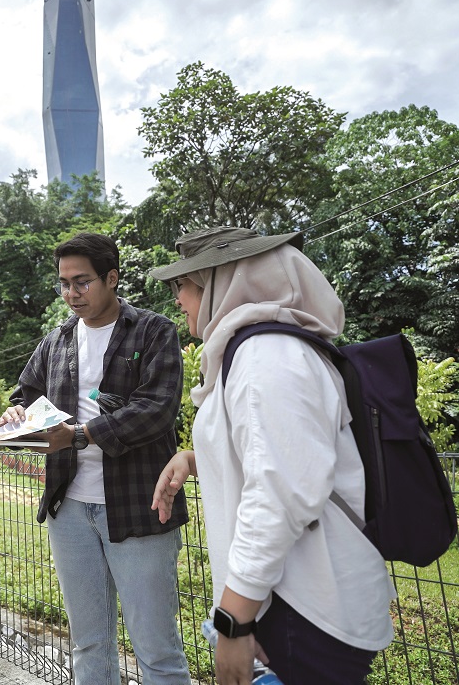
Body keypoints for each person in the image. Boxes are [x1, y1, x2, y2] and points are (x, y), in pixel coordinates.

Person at [149, 227, 395, 685]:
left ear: (218, 281)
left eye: (181, 284)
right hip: (291, 603)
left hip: (304, 612)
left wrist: (234, 620)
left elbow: (282, 493)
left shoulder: (268, 355)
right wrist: (194, 457)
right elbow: (278, 454)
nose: (177, 298)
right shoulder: (260, 349)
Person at [0, 232, 191, 685]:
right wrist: (16, 414)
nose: (71, 294)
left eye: (81, 282)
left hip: (139, 505)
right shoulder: (58, 339)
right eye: (64, 284)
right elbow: (26, 396)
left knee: (156, 648)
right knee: (88, 643)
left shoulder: (153, 330)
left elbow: (157, 409)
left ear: (112, 278)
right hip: (70, 511)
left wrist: (79, 436)